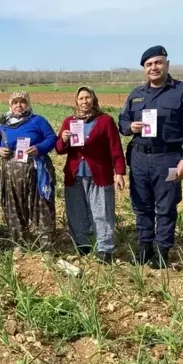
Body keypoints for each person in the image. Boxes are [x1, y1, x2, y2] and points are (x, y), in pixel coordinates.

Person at [119, 46, 183, 269]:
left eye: (158, 63)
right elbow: (123, 121)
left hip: (168, 158)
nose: (153, 67)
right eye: (149, 64)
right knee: (141, 205)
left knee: (166, 206)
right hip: (139, 158)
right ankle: (145, 246)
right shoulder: (136, 95)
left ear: (167, 64)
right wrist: (130, 126)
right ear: (144, 69)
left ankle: (162, 250)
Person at [56, 86, 126, 264]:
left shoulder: (105, 121)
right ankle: (82, 244)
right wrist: (63, 139)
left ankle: (104, 248)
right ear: (76, 101)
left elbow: (116, 149)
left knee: (101, 211)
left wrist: (119, 172)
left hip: (99, 174)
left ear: (94, 99)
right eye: (81, 98)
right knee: (76, 211)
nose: (84, 101)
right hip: (75, 174)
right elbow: (59, 150)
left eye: (88, 97)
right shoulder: (69, 122)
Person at [0, 91, 58, 251]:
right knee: (13, 207)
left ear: (28, 104)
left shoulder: (37, 121)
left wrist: (39, 148)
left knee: (40, 205)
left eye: (22, 102)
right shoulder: (3, 125)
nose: (18, 105)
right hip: (11, 175)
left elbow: (51, 137)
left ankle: (45, 245)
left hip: (36, 171)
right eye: (15, 102)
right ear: (10, 105)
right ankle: (19, 243)